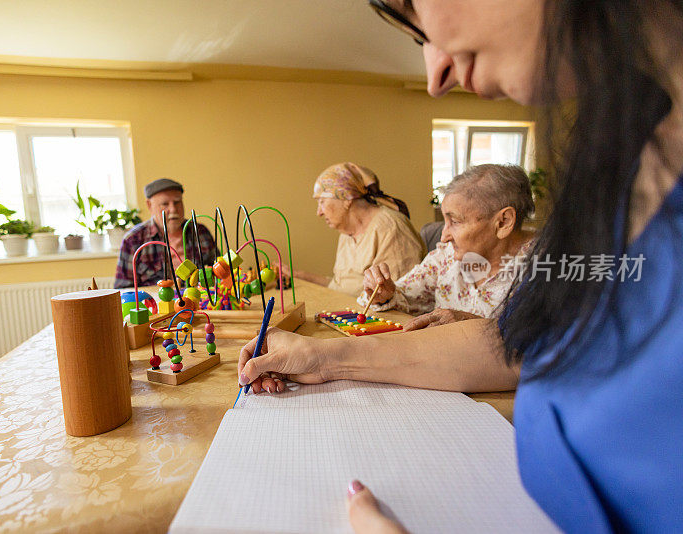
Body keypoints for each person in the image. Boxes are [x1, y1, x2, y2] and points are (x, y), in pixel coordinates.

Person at [238, 0, 683, 532]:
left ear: (503, 221)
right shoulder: (632, 159)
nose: (435, 74)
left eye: (418, 9)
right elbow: (515, 344)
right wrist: (324, 357)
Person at [359, 164, 534, 331]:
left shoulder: (547, 267)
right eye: (445, 221)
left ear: (503, 222)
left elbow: (546, 343)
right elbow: (404, 295)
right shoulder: (447, 255)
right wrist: (385, 294)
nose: (444, 236)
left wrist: (472, 325)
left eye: (455, 222)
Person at [294, 162, 426, 295]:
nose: (319, 212)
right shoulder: (346, 232)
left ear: (346, 198)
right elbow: (341, 287)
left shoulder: (391, 228)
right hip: (348, 310)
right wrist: (299, 275)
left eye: (322, 201)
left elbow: (398, 297)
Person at [114, 178, 217, 288]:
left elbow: (219, 274)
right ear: (149, 205)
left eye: (177, 202)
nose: (173, 209)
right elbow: (123, 290)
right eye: (164, 204)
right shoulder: (133, 240)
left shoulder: (200, 232)